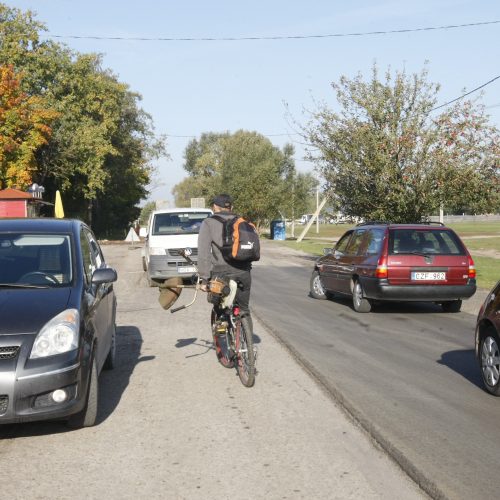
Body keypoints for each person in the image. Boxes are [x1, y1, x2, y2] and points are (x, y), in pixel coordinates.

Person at [197, 193, 254, 332]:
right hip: (244, 271)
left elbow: (204, 253)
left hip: (221, 272)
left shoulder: (208, 223)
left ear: (214, 207)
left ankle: (222, 320)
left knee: (218, 304)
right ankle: (247, 342)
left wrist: (204, 280)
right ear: (231, 207)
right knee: (244, 309)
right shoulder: (242, 221)